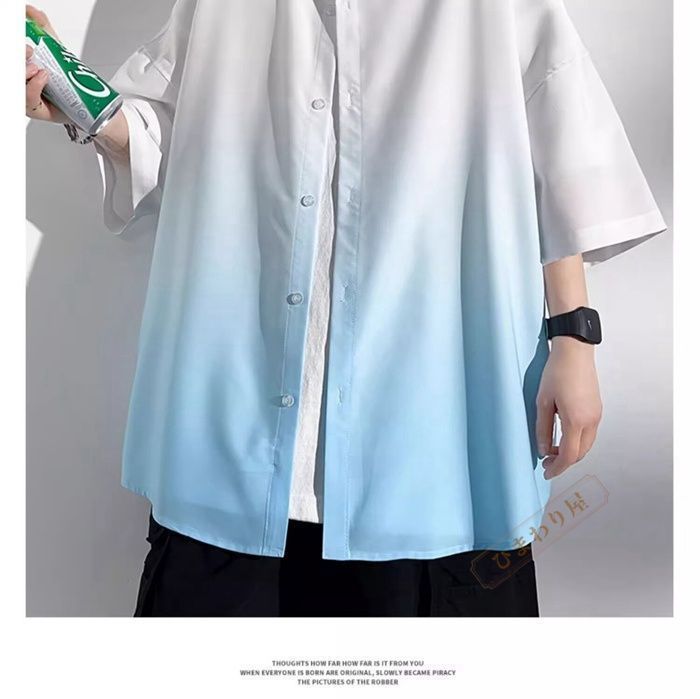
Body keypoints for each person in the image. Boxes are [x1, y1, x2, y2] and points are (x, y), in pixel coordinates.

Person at [25, 1, 666, 617]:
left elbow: (553, 146)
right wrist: (79, 103)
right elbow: (174, 132)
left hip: (429, 436)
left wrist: (573, 338)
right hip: (240, 434)